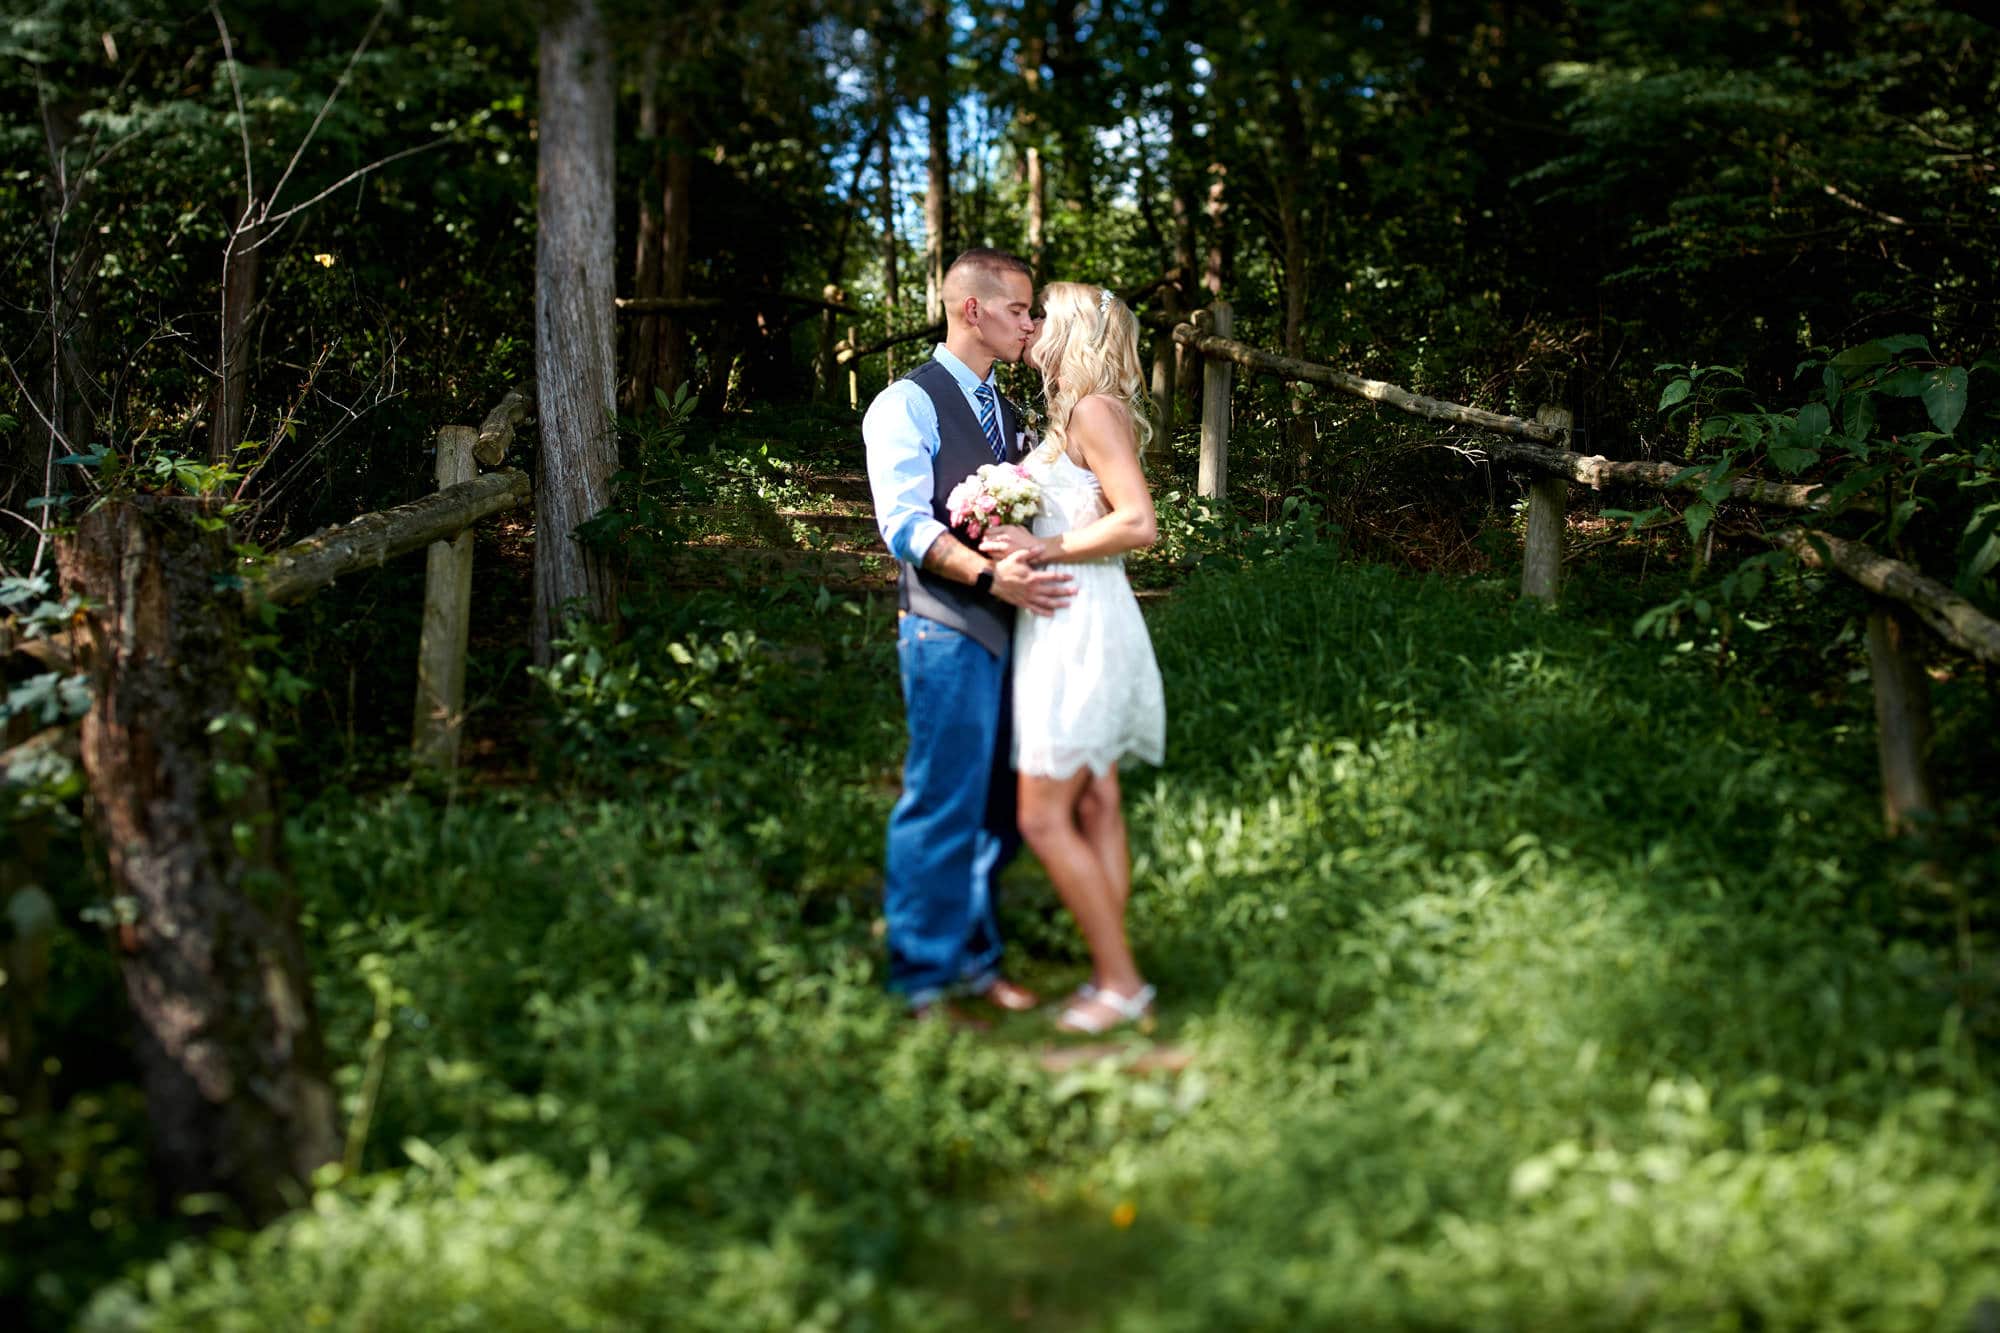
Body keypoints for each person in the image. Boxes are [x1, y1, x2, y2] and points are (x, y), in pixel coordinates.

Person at [862, 248, 1074, 1023]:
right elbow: (903, 526)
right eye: (1019, 309)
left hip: (1020, 633)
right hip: (947, 628)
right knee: (943, 800)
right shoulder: (905, 404)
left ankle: (977, 959)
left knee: (999, 805)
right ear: (972, 310)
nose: (1031, 324)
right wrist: (989, 578)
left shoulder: (1010, 416)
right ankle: (921, 976)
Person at [978, 281, 1166, 1034]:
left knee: (1044, 816)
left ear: (1075, 332)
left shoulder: (1092, 410)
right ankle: (1110, 972)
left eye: (1042, 316)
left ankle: (1121, 982)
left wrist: (1042, 546)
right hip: (1069, 618)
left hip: (1080, 620)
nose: (1029, 326)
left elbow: (1139, 523)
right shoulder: (1076, 411)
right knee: (1096, 802)